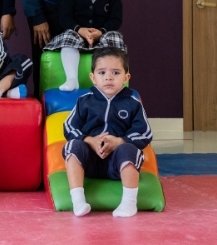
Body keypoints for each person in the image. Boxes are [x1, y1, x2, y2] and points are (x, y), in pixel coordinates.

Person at [63, 47, 152, 218]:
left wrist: (119, 141)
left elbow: (145, 133)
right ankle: (78, 200)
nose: (108, 77)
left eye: (116, 73)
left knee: (130, 150)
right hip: (89, 162)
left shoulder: (133, 103)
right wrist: (89, 140)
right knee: (72, 146)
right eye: (102, 72)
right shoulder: (84, 101)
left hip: (117, 165)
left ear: (126, 78)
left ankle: (129, 202)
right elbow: (69, 127)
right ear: (93, 77)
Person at [44, 0, 124, 91]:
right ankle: (72, 79)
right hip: (79, 34)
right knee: (68, 36)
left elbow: (116, 18)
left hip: (102, 35)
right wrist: (80, 30)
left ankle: (107, 82)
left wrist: (101, 31)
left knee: (115, 37)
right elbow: (65, 17)